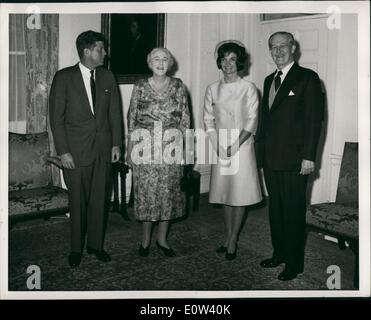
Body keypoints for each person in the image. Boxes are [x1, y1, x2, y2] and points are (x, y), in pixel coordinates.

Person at [49, 30, 122, 267]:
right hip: (75, 152)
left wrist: (116, 144)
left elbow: (115, 114)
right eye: (101, 49)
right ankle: (76, 249)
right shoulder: (64, 77)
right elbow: (56, 118)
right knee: (77, 202)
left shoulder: (108, 77)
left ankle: (96, 246)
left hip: (103, 150)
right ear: (87, 51)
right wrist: (63, 151)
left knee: (100, 201)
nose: (105, 53)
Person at [258, 31, 323, 281]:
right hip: (271, 159)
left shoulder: (307, 78)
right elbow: (266, 120)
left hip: (296, 161)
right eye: (274, 47)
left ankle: (294, 263)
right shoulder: (268, 80)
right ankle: (279, 254)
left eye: (283, 46)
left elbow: (314, 121)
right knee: (276, 210)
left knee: (294, 211)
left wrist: (309, 157)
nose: (279, 51)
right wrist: (259, 155)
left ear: (293, 48)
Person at [126, 47, 190, 257]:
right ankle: (145, 240)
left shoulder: (179, 86)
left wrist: (185, 150)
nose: (161, 63)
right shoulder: (140, 86)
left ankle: (162, 239)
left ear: (170, 63)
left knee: (168, 196)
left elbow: (185, 120)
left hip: (171, 149)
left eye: (164, 59)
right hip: (144, 148)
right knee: (146, 196)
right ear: (149, 62)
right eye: (156, 59)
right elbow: (131, 119)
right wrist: (130, 148)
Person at [204, 40, 262, 260]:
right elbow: (208, 119)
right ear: (219, 62)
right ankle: (228, 236)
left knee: (239, 194)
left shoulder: (248, 88)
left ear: (239, 63)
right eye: (224, 59)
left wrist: (234, 146)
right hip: (220, 146)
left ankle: (234, 239)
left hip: (242, 146)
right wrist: (217, 144)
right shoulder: (212, 89)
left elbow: (251, 121)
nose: (228, 63)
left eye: (232, 59)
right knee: (226, 194)